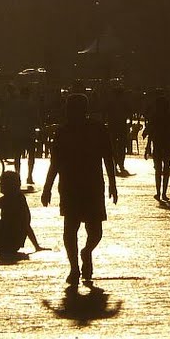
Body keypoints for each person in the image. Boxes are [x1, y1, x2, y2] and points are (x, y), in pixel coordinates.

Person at [41, 93, 118, 285]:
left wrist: (113, 184)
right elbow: (55, 162)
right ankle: (74, 268)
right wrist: (47, 187)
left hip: (92, 185)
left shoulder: (98, 129)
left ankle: (86, 251)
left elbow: (108, 158)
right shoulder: (62, 132)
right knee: (70, 229)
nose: (68, 113)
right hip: (70, 186)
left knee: (96, 232)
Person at [144, 96, 170, 201]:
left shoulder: (154, 117)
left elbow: (150, 133)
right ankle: (164, 193)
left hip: (157, 145)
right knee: (166, 169)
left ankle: (158, 192)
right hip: (168, 145)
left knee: (158, 170)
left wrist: (147, 147)